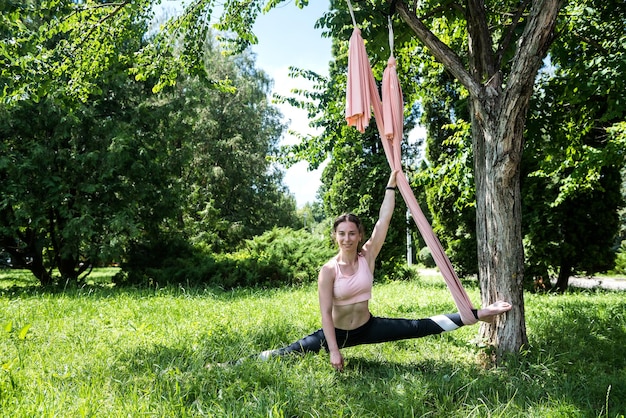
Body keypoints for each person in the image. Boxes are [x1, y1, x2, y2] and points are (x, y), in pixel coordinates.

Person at [256, 170, 512, 371]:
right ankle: (232, 364)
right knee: (288, 353)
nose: (347, 238)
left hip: (368, 327)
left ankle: (478, 314)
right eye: (342, 234)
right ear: (335, 236)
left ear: (359, 236)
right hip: (336, 332)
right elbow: (325, 314)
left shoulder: (367, 255)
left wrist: (392, 186)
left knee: (418, 326)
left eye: (352, 234)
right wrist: (334, 350)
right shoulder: (328, 270)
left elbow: (384, 220)